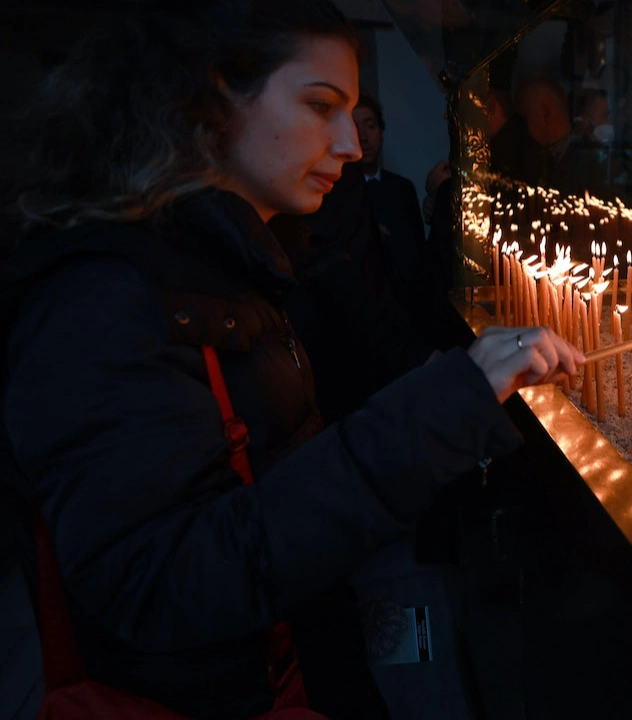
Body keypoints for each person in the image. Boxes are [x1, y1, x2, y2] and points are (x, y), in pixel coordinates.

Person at [0, 3, 582, 719]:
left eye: (352, 115)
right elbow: (164, 582)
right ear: (212, 98)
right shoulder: (105, 300)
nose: (351, 144)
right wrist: (440, 406)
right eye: (320, 106)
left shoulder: (223, 265)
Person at [351, 93, 441, 327]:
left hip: (410, 312)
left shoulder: (402, 188)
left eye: (370, 126)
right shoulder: (338, 194)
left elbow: (419, 254)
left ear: (381, 132)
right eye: (355, 128)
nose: (363, 137)